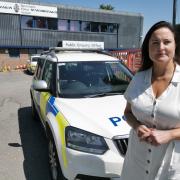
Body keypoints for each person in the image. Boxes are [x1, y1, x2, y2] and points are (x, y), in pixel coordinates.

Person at [120, 21, 180, 180]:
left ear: (175, 45)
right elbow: (127, 112)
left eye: (167, 42)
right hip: (136, 163)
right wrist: (137, 125)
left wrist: (170, 135)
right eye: (155, 42)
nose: (161, 47)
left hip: (171, 167)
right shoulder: (139, 78)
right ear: (148, 48)